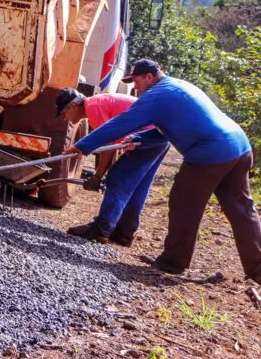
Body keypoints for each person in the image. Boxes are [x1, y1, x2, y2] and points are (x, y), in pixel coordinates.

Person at [64, 59, 260, 282]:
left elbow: (120, 123)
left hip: (211, 151)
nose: (135, 87)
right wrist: (138, 138)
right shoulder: (176, 87)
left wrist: (83, 145)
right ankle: (258, 270)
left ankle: (173, 262)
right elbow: (166, 130)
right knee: (242, 209)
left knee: (183, 202)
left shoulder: (156, 95)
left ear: (149, 77)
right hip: (239, 145)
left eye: (137, 81)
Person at [55, 88, 169, 245]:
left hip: (145, 136)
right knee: (138, 186)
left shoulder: (93, 108)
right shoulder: (98, 102)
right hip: (161, 135)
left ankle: (100, 230)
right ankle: (124, 233)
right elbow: (114, 143)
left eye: (64, 113)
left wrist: (98, 175)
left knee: (118, 178)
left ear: (73, 107)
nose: (65, 118)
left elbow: (107, 141)